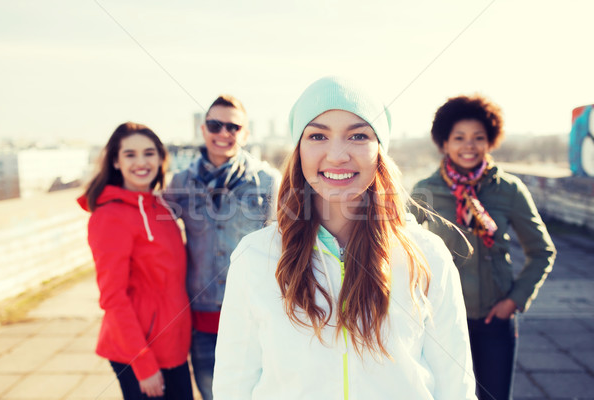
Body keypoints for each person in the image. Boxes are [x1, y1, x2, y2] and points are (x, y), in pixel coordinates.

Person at [213, 76, 477, 399]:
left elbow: (456, 386)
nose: (337, 155)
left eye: (357, 135)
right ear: (299, 150)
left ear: (380, 150)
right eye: (318, 135)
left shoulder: (426, 255)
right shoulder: (255, 256)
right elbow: (233, 384)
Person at [411, 95, 557, 400]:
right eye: (459, 138)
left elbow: (542, 251)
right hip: (442, 320)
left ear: (490, 140)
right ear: (444, 143)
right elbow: (400, 245)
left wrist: (513, 301)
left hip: (495, 320)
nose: (469, 145)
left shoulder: (509, 190)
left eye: (478, 138)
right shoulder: (426, 190)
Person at [164, 95, 281, 400]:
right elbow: (152, 229)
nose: (224, 132)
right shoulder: (180, 182)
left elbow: (283, 243)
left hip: (254, 313)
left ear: (245, 133)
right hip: (202, 316)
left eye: (233, 126)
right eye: (215, 125)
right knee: (213, 393)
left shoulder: (268, 181)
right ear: (203, 129)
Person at [78, 122, 193, 399]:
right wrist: (143, 364)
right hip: (139, 352)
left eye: (149, 153)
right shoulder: (109, 217)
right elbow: (112, 297)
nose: (141, 162)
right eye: (130, 155)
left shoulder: (160, 206)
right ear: (116, 162)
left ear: (161, 158)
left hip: (173, 347)